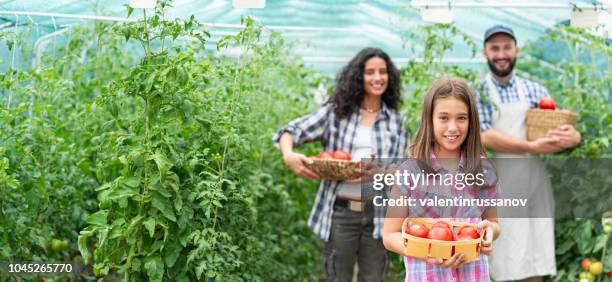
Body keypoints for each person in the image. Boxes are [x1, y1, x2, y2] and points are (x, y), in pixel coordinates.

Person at [273, 47, 409, 281]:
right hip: (342, 212)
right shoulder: (337, 113)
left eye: (383, 72)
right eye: (370, 72)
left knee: (374, 277)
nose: (377, 78)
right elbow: (290, 131)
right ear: (359, 76)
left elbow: (403, 171)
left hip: (379, 214)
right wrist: (289, 155)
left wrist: (381, 173)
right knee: (337, 277)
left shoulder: (397, 120)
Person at [476, 25, 581, 282]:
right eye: (495, 48)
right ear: (485, 53)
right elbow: (484, 136)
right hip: (498, 183)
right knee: (502, 253)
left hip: (534, 181)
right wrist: (531, 147)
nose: (501, 54)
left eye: (506, 48)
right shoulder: (477, 92)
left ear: (516, 51)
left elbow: (555, 129)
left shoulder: (535, 91)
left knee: (534, 252)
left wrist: (573, 137)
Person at [382, 77, 500, 281]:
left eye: (461, 118)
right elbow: (390, 235)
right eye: (444, 118)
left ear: (471, 121)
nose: (453, 128)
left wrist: (490, 233)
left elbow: (492, 223)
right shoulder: (409, 172)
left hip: (473, 275)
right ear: (430, 120)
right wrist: (425, 251)